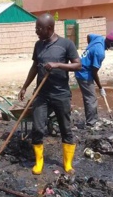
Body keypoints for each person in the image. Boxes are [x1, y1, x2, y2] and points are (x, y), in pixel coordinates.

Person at [19, 13, 81, 175]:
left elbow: (77, 65)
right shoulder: (38, 45)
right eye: (36, 28)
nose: (36, 31)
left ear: (50, 28)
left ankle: (67, 164)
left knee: (65, 129)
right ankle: (39, 162)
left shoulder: (66, 44)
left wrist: (58, 65)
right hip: (42, 94)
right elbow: (34, 67)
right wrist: (25, 86)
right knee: (38, 128)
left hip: (61, 94)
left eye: (39, 28)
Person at [75, 34, 107, 127]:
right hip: (84, 74)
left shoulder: (99, 39)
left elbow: (88, 35)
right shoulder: (100, 52)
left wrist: (89, 52)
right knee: (91, 98)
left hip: (81, 69)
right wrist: (100, 87)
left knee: (88, 97)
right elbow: (94, 72)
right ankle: (91, 123)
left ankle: (93, 119)